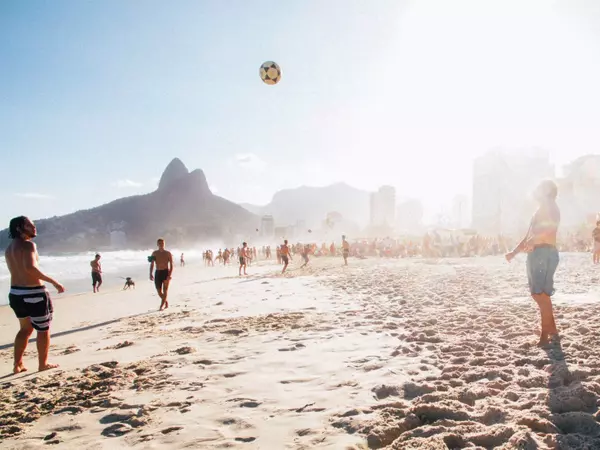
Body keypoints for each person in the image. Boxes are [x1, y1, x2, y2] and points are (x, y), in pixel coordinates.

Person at [5, 216, 65, 373]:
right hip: (34, 293)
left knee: (25, 329)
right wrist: (53, 281)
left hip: (15, 294)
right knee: (43, 329)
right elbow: (30, 268)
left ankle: (17, 364)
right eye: (30, 225)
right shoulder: (28, 245)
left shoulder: (9, 248)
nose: (34, 228)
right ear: (19, 228)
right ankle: (42, 364)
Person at [506, 180, 560, 346]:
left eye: (540, 188)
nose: (536, 191)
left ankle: (545, 335)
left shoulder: (551, 206)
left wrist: (534, 241)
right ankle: (552, 329)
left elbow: (549, 231)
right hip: (536, 253)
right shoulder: (539, 209)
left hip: (544, 252)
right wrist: (514, 252)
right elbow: (528, 235)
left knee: (542, 295)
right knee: (537, 294)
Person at [149, 238, 174, 311]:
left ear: (164, 244)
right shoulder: (154, 253)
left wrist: (169, 275)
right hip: (158, 272)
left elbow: (171, 265)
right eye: (159, 243)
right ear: (157, 244)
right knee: (159, 291)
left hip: (166, 272)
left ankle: (161, 306)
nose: (161, 245)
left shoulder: (168, 253)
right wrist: (150, 273)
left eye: (162, 243)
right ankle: (165, 301)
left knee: (165, 290)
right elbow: (152, 264)